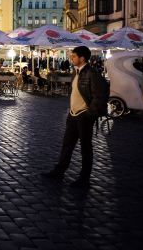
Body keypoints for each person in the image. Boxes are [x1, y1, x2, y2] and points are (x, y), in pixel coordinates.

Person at [42, 46, 109, 189]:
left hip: (84, 115)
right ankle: (60, 170)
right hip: (73, 114)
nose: (71, 58)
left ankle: (84, 178)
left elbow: (101, 95)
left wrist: (90, 113)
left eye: (73, 56)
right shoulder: (75, 72)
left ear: (82, 58)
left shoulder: (92, 73)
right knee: (67, 145)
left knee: (86, 147)